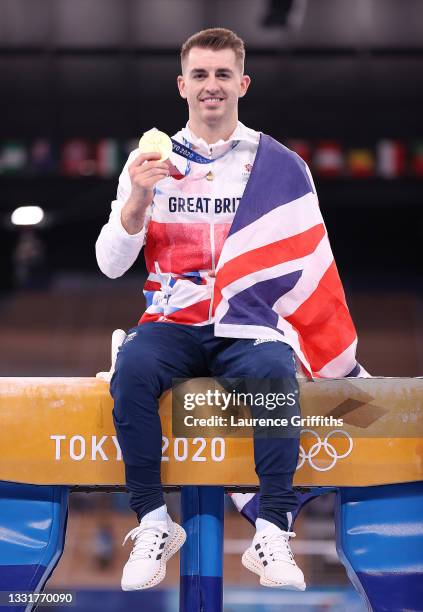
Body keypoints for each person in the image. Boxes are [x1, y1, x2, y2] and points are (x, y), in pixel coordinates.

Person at [96, 27, 366, 592]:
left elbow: (305, 257)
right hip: (172, 320)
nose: (211, 86)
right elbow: (110, 264)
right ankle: (152, 522)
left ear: (242, 82)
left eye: (222, 74)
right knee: (133, 372)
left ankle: (273, 531)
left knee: (274, 376)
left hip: (246, 321)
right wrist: (138, 199)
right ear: (182, 85)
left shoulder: (278, 164)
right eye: (200, 74)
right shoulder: (147, 161)